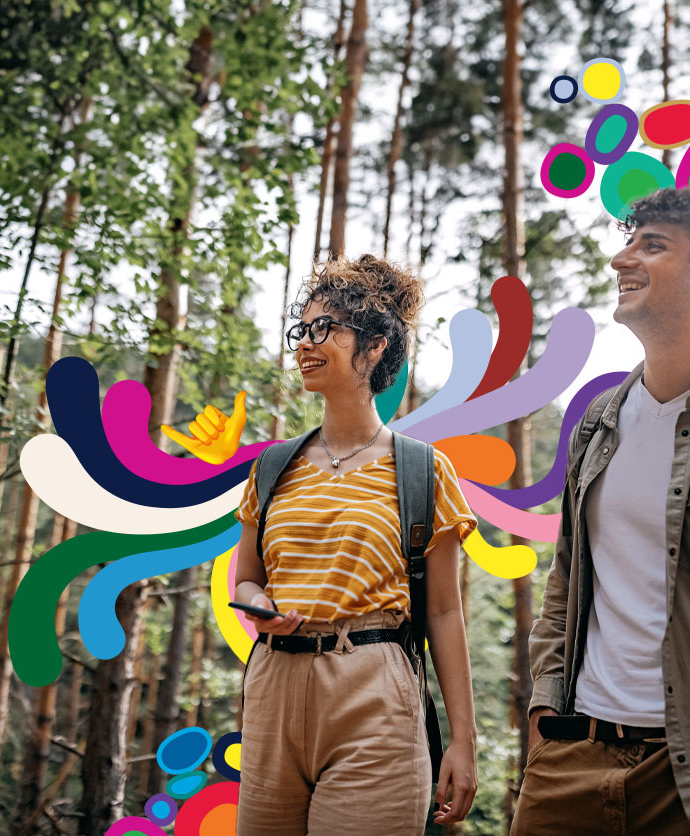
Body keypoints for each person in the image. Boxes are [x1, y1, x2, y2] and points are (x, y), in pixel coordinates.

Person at [231, 255, 478, 836]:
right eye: (301, 330)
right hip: (272, 691)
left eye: (325, 329)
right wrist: (257, 606)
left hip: (375, 690)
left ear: (373, 347)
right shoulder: (270, 466)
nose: (305, 345)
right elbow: (247, 579)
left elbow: (443, 610)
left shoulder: (422, 470)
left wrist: (462, 742)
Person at [511, 187, 690, 836]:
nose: (622, 259)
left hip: (687, 776)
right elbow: (566, 580)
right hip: (572, 758)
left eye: (653, 245)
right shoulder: (599, 422)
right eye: (627, 242)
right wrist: (545, 712)